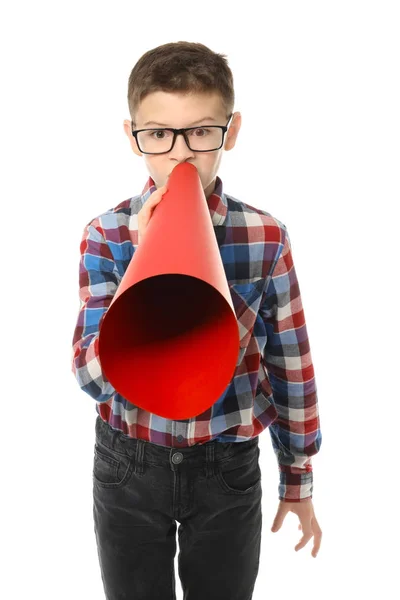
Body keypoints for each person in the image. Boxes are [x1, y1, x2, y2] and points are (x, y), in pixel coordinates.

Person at [71, 41, 323, 600]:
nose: (180, 155)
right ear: (132, 134)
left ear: (230, 132)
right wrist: (145, 252)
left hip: (225, 467)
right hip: (128, 465)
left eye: (201, 133)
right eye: (158, 134)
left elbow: (291, 365)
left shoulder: (265, 237)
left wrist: (298, 478)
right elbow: (91, 377)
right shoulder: (106, 235)